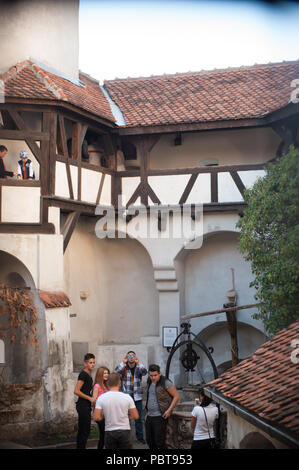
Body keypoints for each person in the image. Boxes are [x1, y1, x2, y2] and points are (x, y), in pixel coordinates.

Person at [93, 372, 139, 449]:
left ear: (107, 383)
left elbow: (96, 417)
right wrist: (127, 416)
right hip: (124, 430)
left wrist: (105, 417)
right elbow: (136, 416)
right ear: (119, 383)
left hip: (109, 430)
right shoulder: (127, 397)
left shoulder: (101, 398)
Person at [114, 351, 147, 444]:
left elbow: (145, 372)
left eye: (133, 356)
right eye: (129, 356)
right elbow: (115, 372)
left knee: (138, 418)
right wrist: (123, 362)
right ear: (127, 357)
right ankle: (126, 439)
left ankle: (140, 438)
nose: (131, 357)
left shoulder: (138, 368)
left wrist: (138, 362)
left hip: (137, 396)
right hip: (126, 396)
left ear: (135, 357)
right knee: (125, 418)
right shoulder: (123, 368)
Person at [145, 364, 180, 450]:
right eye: (151, 375)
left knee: (159, 442)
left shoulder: (165, 382)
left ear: (159, 373)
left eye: (155, 375)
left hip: (160, 415)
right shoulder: (149, 381)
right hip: (149, 415)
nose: (153, 377)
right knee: (149, 440)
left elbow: (176, 396)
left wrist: (169, 411)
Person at [74, 353, 96, 449]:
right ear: (85, 364)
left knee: (84, 430)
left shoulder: (88, 374)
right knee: (84, 430)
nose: (92, 364)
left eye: (93, 362)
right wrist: (90, 398)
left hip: (85, 405)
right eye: (90, 363)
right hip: (82, 405)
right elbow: (76, 391)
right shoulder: (83, 374)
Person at [92, 366, 110, 449]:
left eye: (107, 373)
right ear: (100, 375)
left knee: (106, 435)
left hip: (107, 414)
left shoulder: (106, 385)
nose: (107, 375)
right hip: (99, 414)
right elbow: (94, 401)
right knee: (104, 435)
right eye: (104, 373)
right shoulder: (97, 386)